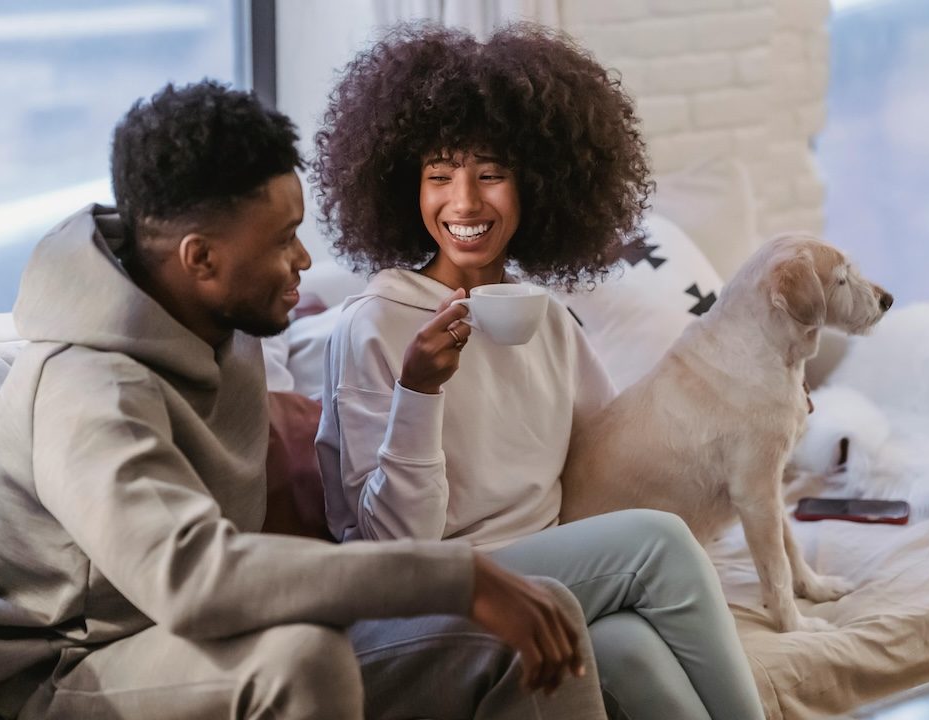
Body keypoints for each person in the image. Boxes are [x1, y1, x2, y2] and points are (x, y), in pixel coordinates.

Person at [0, 80, 609, 720]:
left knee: (540, 613)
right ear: (200, 259)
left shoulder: (225, 327)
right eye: (282, 239)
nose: (303, 259)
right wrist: (454, 576)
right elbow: (193, 579)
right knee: (304, 660)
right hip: (82, 666)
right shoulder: (84, 393)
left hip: (226, 630)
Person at [314, 24, 767, 720]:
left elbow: (615, 459)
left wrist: (754, 402)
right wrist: (420, 390)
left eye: (490, 174)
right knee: (658, 544)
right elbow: (399, 548)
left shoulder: (548, 319)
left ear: (537, 183)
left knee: (628, 651)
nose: (464, 202)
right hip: (429, 595)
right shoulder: (375, 323)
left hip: (547, 578)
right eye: (439, 176)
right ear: (407, 188)